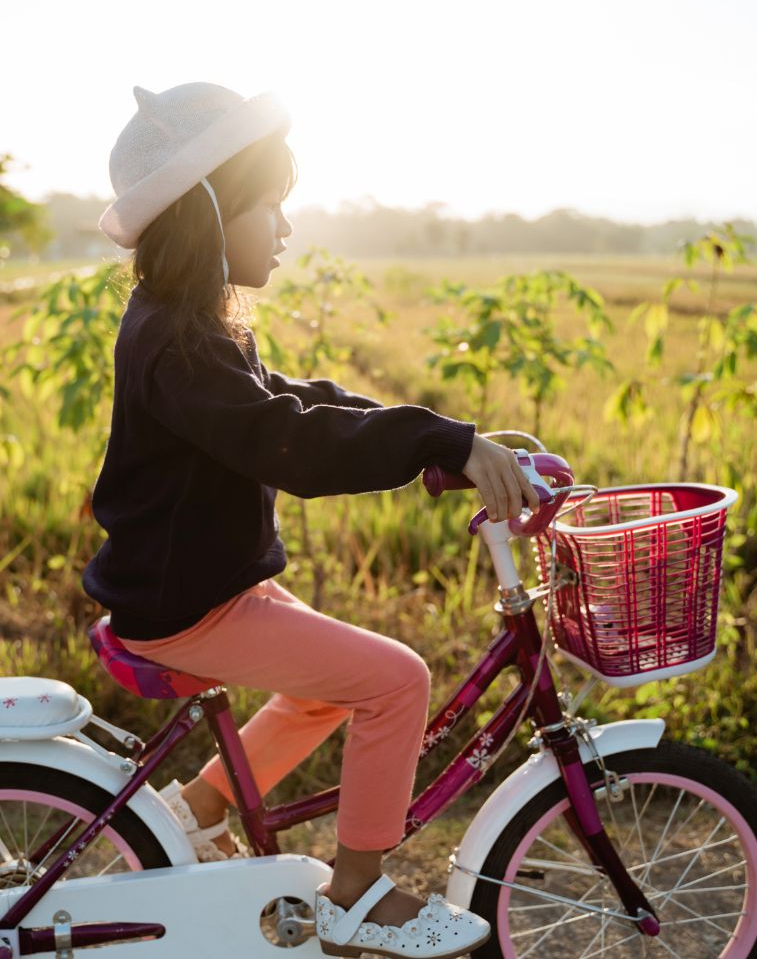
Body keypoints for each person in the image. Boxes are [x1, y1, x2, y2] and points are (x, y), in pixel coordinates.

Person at [83, 82, 540, 958]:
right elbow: (285, 441)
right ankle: (357, 895)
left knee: (334, 684)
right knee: (396, 680)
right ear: (211, 213)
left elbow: (297, 401)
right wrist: (433, 441)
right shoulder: (179, 342)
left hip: (199, 587)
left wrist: (445, 440)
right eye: (271, 207)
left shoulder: (189, 325)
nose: (287, 229)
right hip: (190, 607)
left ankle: (202, 811)